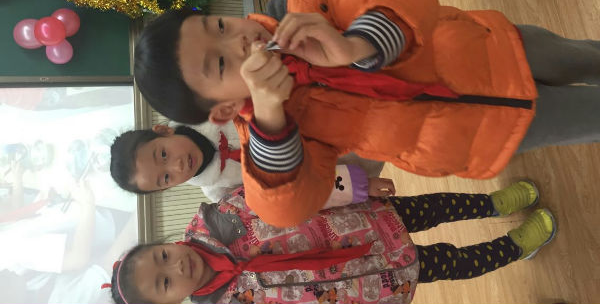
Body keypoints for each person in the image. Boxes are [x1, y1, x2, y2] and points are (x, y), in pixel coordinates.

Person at [133, 0, 600, 227]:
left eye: (218, 25)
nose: (236, 39)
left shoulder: (304, 3)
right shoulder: (285, 136)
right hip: (481, 136)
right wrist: (271, 119)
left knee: (582, 57)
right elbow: (284, 208)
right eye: (219, 63)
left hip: (494, 48)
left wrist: (357, 45)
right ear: (223, 110)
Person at [106, 179, 556, 304]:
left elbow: (290, 191)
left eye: (162, 256)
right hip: (369, 281)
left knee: (436, 208)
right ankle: (516, 246)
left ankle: (493, 203)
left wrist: (352, 186)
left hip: (362, 221)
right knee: (449, 264)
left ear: (164, 243)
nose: (176, 266)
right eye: (164, 283)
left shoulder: (218, 217)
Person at [110, 123, 384, 201]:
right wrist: (357, 185)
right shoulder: (221, 193)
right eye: (165, 178)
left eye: (163, 155)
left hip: (338, 117)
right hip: (340, 167)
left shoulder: (211, 107)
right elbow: (291, 194)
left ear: (162, 130)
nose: (177, 166)